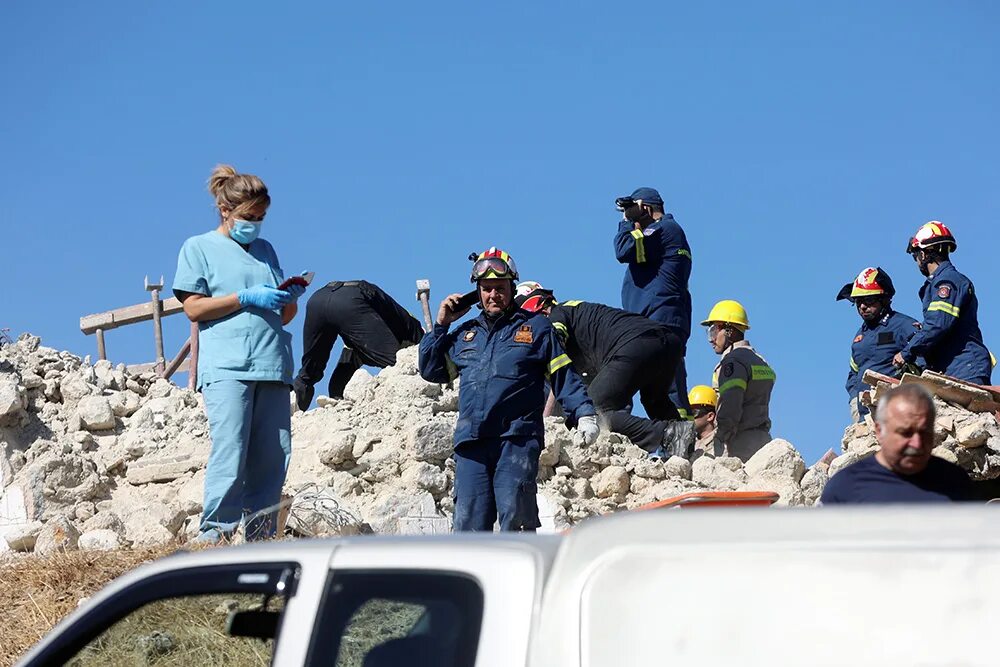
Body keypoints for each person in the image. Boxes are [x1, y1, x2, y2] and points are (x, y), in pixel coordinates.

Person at [418, 248, 598, 532]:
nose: (493, 295)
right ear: (477, 293)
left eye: (500, 288)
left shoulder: (536, 328)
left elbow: (562, 374)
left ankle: (517, 575)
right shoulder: (467, 335)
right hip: (472, 444)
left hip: (516, 440)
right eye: (486, 289)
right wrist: (442, 325)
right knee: (468, 525)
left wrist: (584, 413)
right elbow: (431, 370)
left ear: (511, 288)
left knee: (515, 517)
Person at [172, 164, 305, 542]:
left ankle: (260, 537)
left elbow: (285, 317)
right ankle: (215, 534)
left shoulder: (265, 250)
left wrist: (288, 298)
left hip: (272, 364)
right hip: (229, 366)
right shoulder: (198, 248)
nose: (256, 224)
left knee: (273, 457)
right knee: (231, 450)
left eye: (261, 217)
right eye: (249, 216)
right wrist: (244, 297)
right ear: (224, 210)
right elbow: (194, 309)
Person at [514, 281, 695, 457]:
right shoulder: (576, 315)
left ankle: (666, 435)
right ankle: (685, 448)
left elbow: (556, 366)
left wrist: (548, 423)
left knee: (593, 411)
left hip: (635, 344)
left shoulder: (556, 315)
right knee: (655, 400)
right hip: (667, 343)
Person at [613, 187, 693, 418]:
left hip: (659, 322)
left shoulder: (664, 229)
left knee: (668, 391)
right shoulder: (664, 234)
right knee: (656, 391)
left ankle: (680, 446)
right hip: (655, 322)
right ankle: (671, 444)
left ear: (645, 208)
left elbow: (623, 250)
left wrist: (627, 222)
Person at [821, 384, 972, 503]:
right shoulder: (845, 489)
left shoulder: (955, 482)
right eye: (905, 433)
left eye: (924, 432)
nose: (917, 443)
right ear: (880, 431)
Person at [292, 280, 425, 410]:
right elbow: (415, 366)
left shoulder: (371, 332)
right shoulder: (417, 335)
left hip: (318, 299)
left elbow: (348, 359)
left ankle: (288, 412)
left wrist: (337, 393)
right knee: (396, 365)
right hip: (353, 299)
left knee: (309, 371)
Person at [893, 222, 991, 385]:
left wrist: (907, 352)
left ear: (924, 254)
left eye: (915, 255)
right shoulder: (940, 283)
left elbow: (938, 324)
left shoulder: (947, 282)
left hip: (964, 369)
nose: (916, 261)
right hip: (953, 368)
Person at [836, 267, 921, 422]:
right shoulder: (859, 337)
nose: (862, 307)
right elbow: (854, 373)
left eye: (868, 300)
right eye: (858, 302)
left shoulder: (903, 326)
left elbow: (924, 360)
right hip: (866, 415)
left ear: (884, 300)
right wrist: (855, 401)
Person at [701, 300, 775, 462]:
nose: (711, 339)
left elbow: (730, 404)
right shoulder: (760, 360)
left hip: (740, 445)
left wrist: (719, 438)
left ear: (728, 330)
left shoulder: (733, 362)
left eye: (713, 331)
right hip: (762, 440)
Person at [687, 385, 718, 454]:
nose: (690, 417)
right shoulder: (689, 444)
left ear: (710, 416)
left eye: (694, 412)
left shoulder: (721, 444)